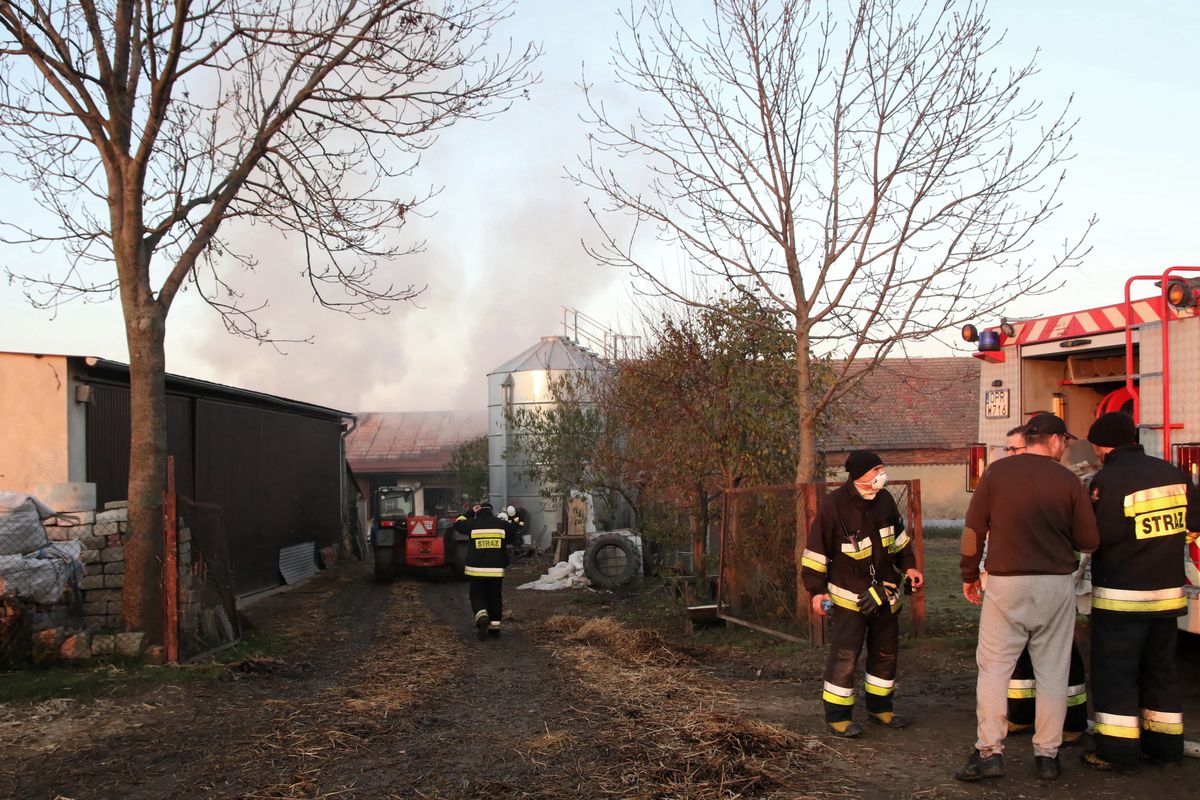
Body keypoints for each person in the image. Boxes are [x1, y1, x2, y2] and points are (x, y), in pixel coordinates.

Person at [956, 412, 1099, 782]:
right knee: (1053, 671)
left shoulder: (996, 474)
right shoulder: (1069, 480)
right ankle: (1047, 756)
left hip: (1005, 584)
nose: (1065, 447)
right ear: (1053, 441)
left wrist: (969, 575)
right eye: (1064, 441)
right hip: (1054, 585)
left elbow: (973, 531)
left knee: (994, 670)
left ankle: (989, 752)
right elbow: (1090, 542)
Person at [1080, 411, 1200, 772]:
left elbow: (1096, 538)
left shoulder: (1107, 481)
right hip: (1167, 598)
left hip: (1121, 599)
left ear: (1102, 445)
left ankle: (1116, 752)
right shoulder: (1173, 474)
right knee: (1160, 671)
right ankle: (1165, 748)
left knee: (1116, 674)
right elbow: (1193, 526)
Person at [801, 450, 924, 738]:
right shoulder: (834, 505)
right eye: (876, 469)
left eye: (882, 467)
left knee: (885, 653)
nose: (882, 474)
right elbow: (816, 552)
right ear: (859, 475)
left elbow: (899, 541)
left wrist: (910, 568)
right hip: (848, 598)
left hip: (886, 596)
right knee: (845, 656)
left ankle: (881, 708)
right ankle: (838, 716)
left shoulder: (885, 501)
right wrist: (816, 591)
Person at [996, 424, 1089, 744]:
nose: (1009, 455)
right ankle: (1021, 715)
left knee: (1061, 656)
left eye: (1015, 449)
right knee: (1017, 652)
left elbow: (1080, 536)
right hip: (1013, 583)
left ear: (1031, 448)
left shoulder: (1057, 483)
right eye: (1006, 450)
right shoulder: (1002, 482)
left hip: (1049, 583)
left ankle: (1071, 721)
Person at [452, 499, 521, 640]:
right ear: (492, 511)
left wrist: (470, 512)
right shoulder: (501, 524)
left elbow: (457, 524)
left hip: (476, 571)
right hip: (496, 571)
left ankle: (482, 616)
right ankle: (495, 629)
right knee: (495, 597)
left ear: (479, 511)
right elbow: (514, 534)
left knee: (477, 595)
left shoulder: (472, 523)